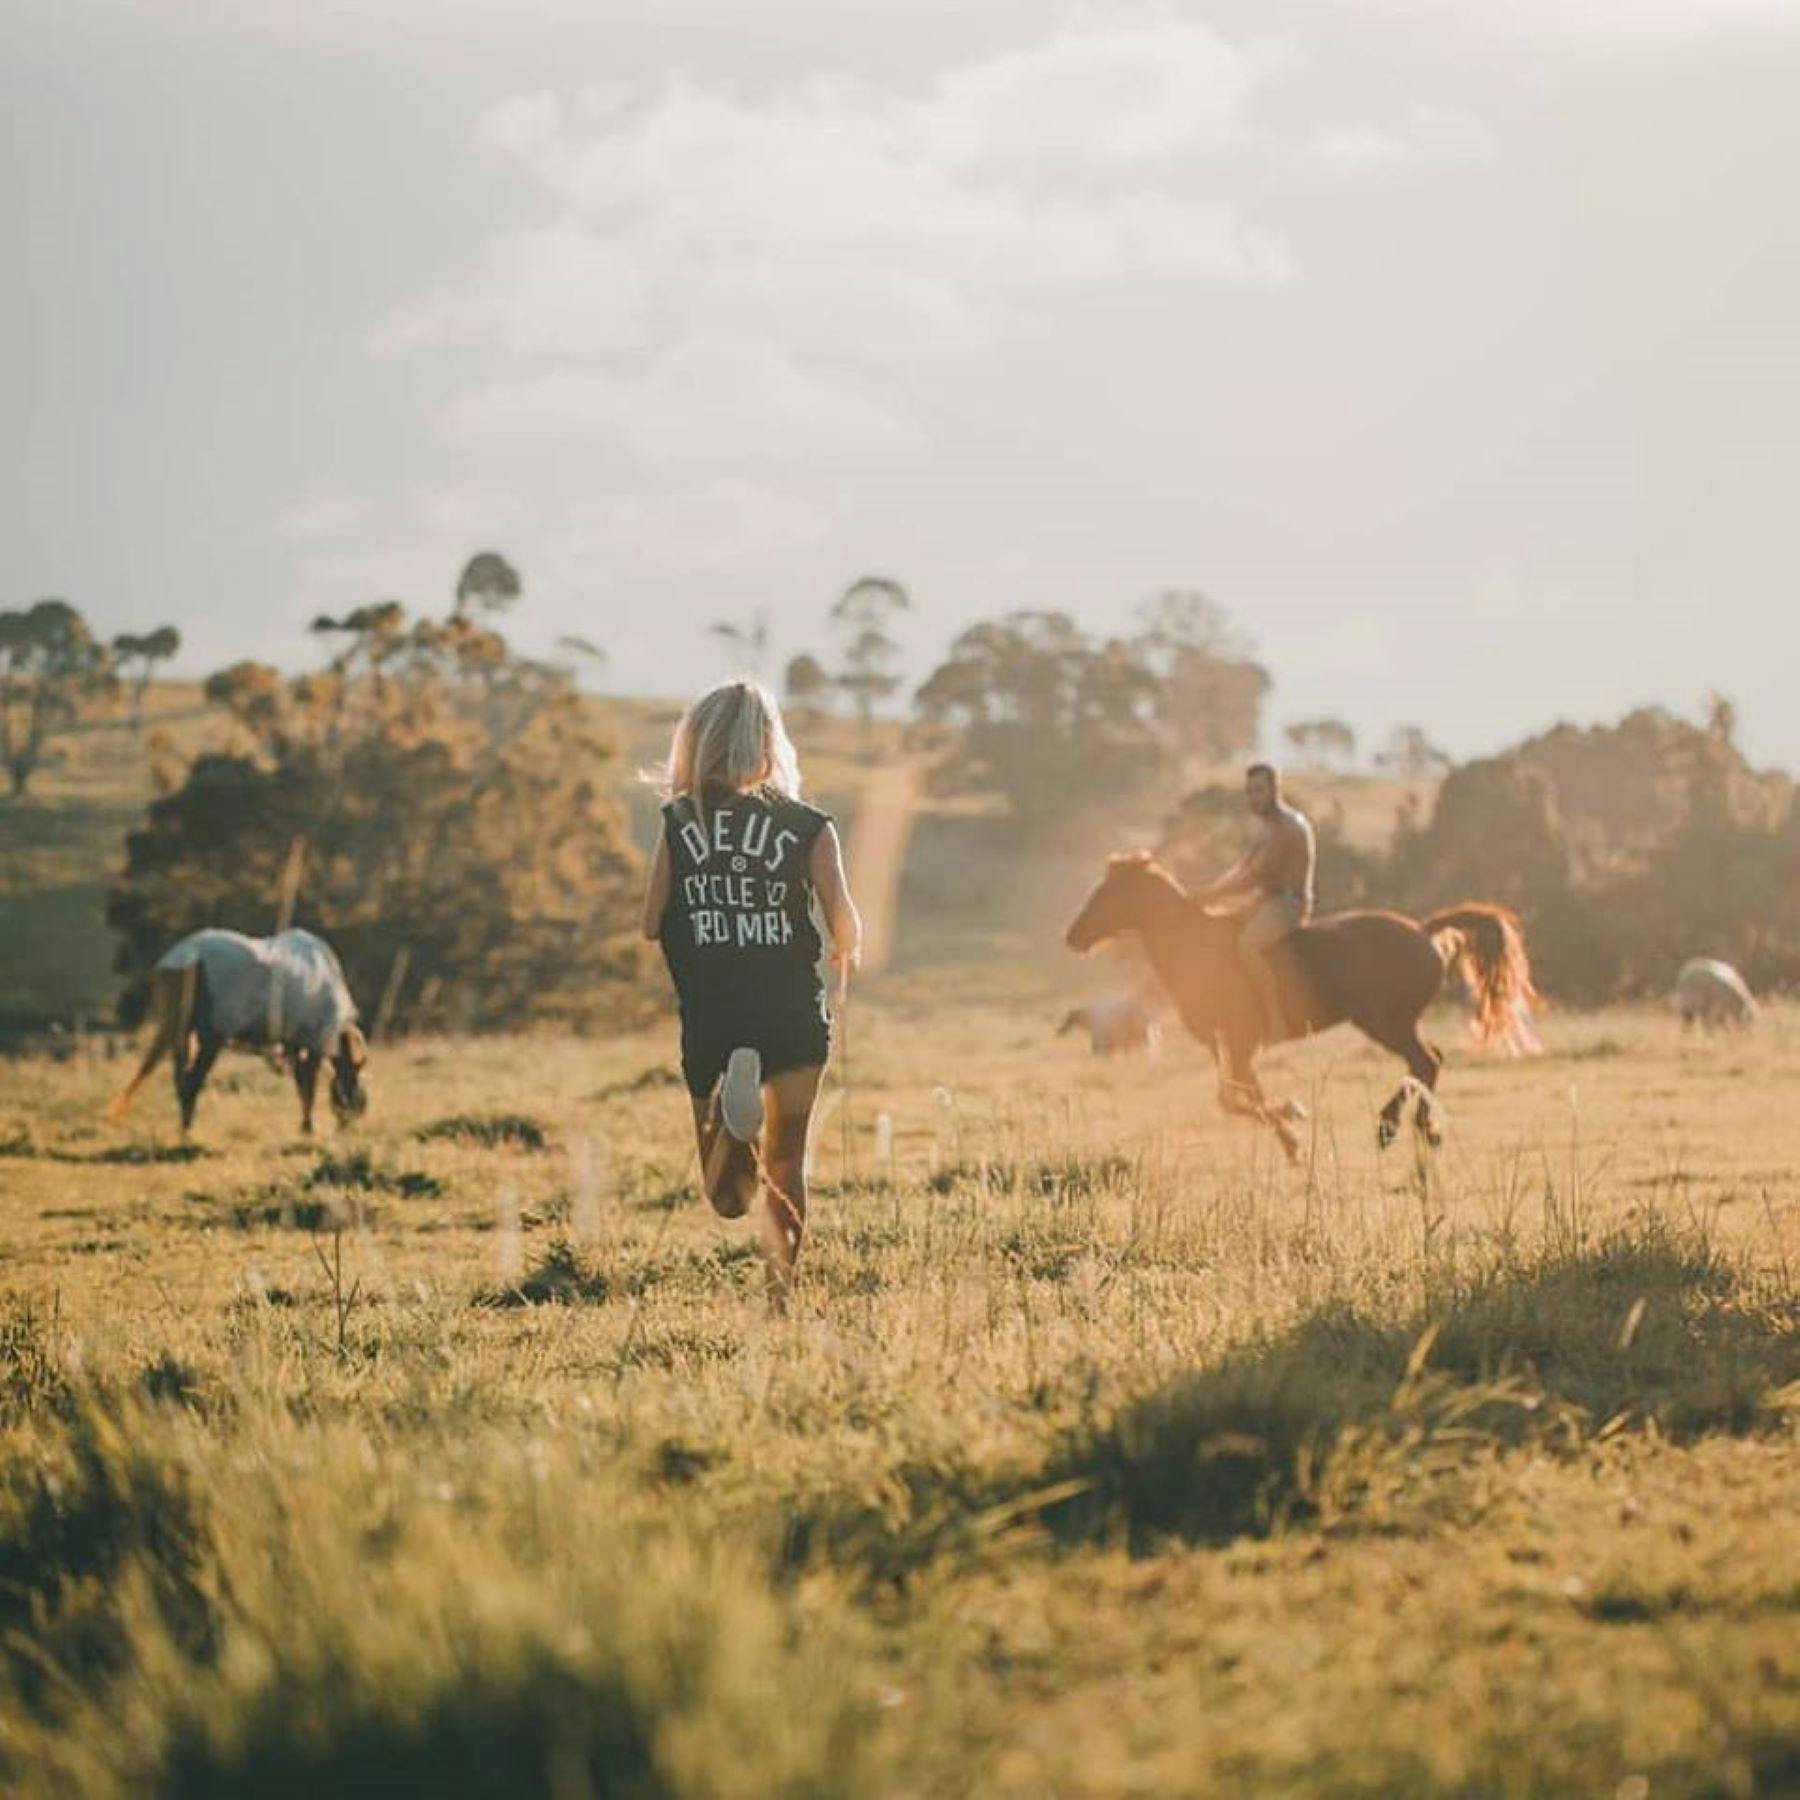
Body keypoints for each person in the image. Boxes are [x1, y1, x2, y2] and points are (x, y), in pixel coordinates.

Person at [640, 678, 862, 1304]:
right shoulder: (811, 827)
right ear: (769, 744)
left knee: (728, 1198)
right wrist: (847, 945)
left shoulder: (680, 821)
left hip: (714, 1017)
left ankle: (733, 1127)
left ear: (697, 746)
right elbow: (843, 923)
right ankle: (780, 1293)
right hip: (791, 1014)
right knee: (788, 1162)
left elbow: (650, 921)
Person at [1192, 763, 1315, 1043]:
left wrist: (1210, 895)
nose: (1253, 798)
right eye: (1249, 792)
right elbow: (1242, 868)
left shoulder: (1288, 828)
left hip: (1288, 904)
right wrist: (1208, 896)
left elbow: (1255, 877)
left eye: (1258, 791)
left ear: (1274, 790)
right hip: (1264, 902)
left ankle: (1274, 1020)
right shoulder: (1265, 828)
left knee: (1247, 946)